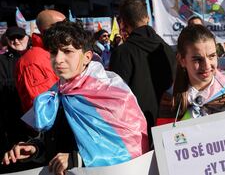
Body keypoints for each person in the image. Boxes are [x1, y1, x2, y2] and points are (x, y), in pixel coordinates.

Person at [2, 21, 148, 174]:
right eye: (53, 52)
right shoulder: (57, 92)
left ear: (87, 57)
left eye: (67, 51)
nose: (58, 59)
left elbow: (129, 147)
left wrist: (76, 159)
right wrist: (35, 148)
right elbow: (55, 139)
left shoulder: (111, 92)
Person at [110, 0, 176, 140]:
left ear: (123, 23)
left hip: (135, 132)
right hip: (168, 126)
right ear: (146, 18)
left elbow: (115, 97)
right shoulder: (166, 49)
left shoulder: (122, 53)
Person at [172, 25, 225, 120]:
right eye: (197, 59)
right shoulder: (171, 99)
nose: (207, 66)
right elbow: (164, 133)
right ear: (182, 60)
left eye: (212, 56)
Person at [15, 10, 64, 113]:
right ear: (51, 29)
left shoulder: (53, 52)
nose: (70, 30)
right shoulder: (34, 61)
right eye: (64, 26)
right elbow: (45, 109)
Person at [0, 27, 30, 157]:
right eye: (12, 38)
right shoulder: (2, 61)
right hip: (13, 120)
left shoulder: (37, 56)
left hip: (37, 117)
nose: (16, 41)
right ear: (7, 40)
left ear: (27, 38)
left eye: (20, 37)